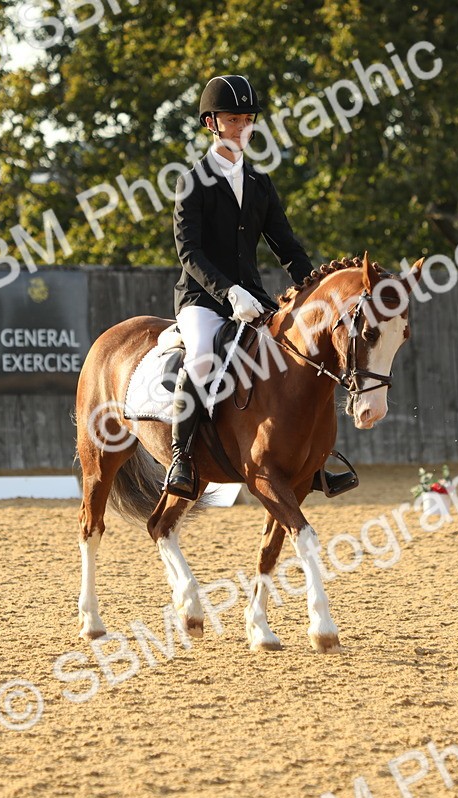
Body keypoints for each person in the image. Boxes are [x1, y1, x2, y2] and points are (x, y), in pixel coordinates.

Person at [165, 74, 316, 498]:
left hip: (253, 295)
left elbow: (287, 246)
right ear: (212, 123)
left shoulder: (259, 182)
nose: (243, 128)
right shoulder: (192, 180)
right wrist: (228, 292)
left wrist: (310, 290)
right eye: (234, 119)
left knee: (295, 357)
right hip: (202, 298)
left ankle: (312, 459)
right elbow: (189, 252)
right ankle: (181, 457)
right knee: (199, 358)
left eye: (248, 119)